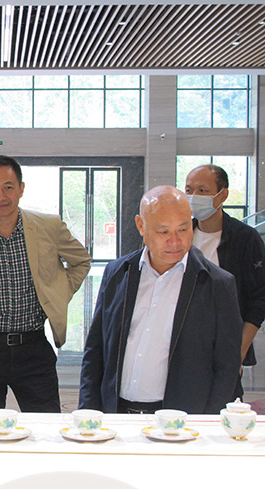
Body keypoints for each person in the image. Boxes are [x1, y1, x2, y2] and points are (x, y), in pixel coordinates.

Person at [0, 155, 91, 412]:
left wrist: (56, 294)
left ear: (21, 189)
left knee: (45, 427)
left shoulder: (48, 226)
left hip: (33, 348)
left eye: (8, 187)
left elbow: (81, 261)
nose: (0, 196)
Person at [78, 186, 242, 414]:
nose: (175, 242)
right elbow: (95, 350)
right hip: (117, 414)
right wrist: (88, 410)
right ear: (141, 226)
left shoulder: (217, 284)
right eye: (164, 232)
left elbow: (227, 367)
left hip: (180, 420)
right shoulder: (118, 273)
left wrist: (207, 422)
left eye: (183, 229)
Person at [184, 164, 265, 398]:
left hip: (224, 343)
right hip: (183, 343)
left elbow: (258, 300)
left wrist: (238, 352)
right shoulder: (181, 235)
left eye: (202, 190)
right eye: (189, 190)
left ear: (222, 195)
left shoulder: (245, 238)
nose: (194, 197)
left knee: (222, 405)